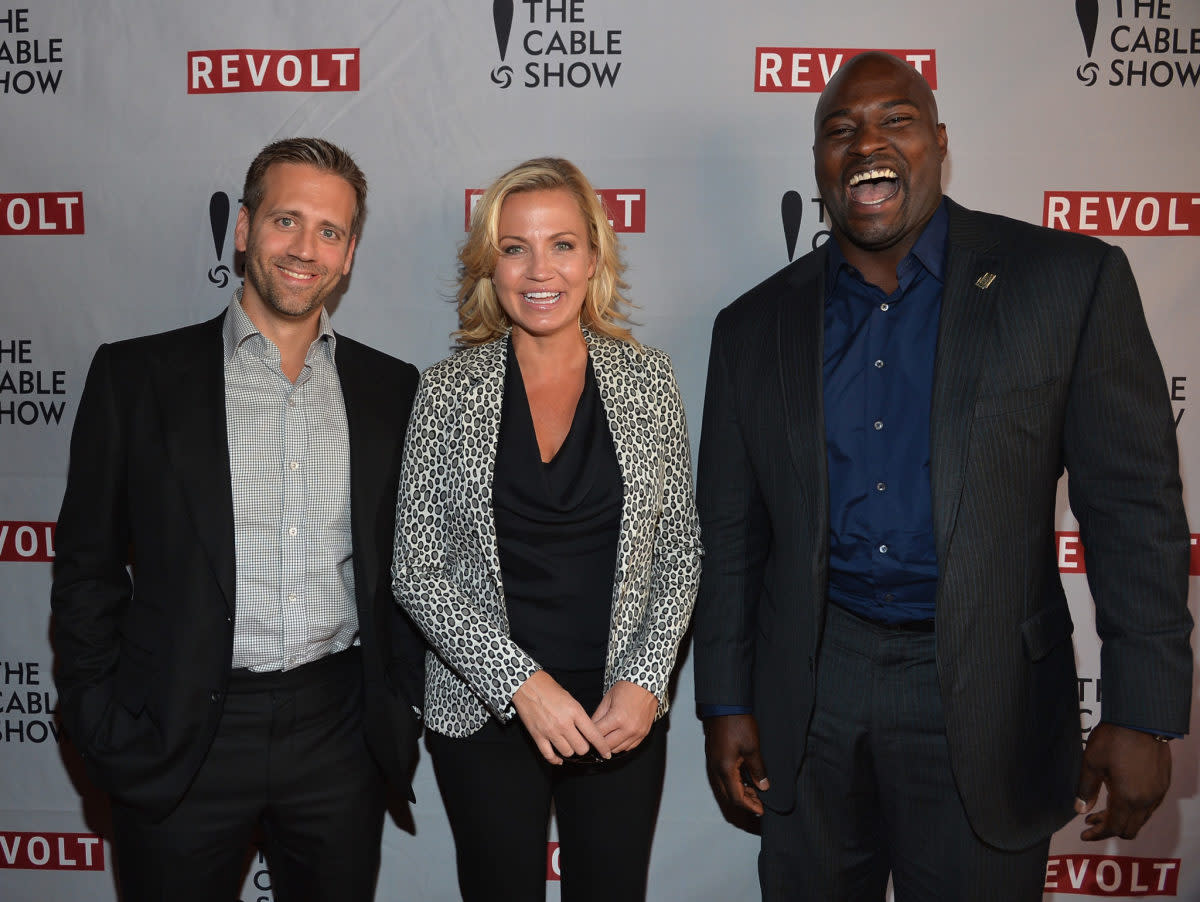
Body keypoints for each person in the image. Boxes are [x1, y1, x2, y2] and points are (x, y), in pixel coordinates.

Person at [692, 51, 1192, 901]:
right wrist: (727, 699)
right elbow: (735, 537)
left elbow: (1133, 511)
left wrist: (1143, 708)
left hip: (988, 688)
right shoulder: (752, 327)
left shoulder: (1066, 282)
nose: (867, 143)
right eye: (839, 129)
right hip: (814, 681)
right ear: (818, 164)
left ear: (940, 142)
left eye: (896, 119)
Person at [51, 137, 425, 902]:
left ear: (349, 254)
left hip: (338, 734)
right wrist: (100, 718)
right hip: (180, 731)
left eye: (330, 231)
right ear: (245, 229)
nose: (306, 249)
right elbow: (85, 567)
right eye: (287, 221)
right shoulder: (136, 378)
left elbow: (407, 569)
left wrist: (398, 703)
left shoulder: (392, 390)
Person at [392, 157, 702, 901]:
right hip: (487, 714)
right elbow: (416, 569)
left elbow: (681, 548)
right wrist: (520, 684)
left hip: (617, 714)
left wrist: (646, 682)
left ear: (594, 257)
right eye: (515, 246)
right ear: (488, 266)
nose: (541, 269)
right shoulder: (443, 391)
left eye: (562, 244)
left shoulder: (649, 379)